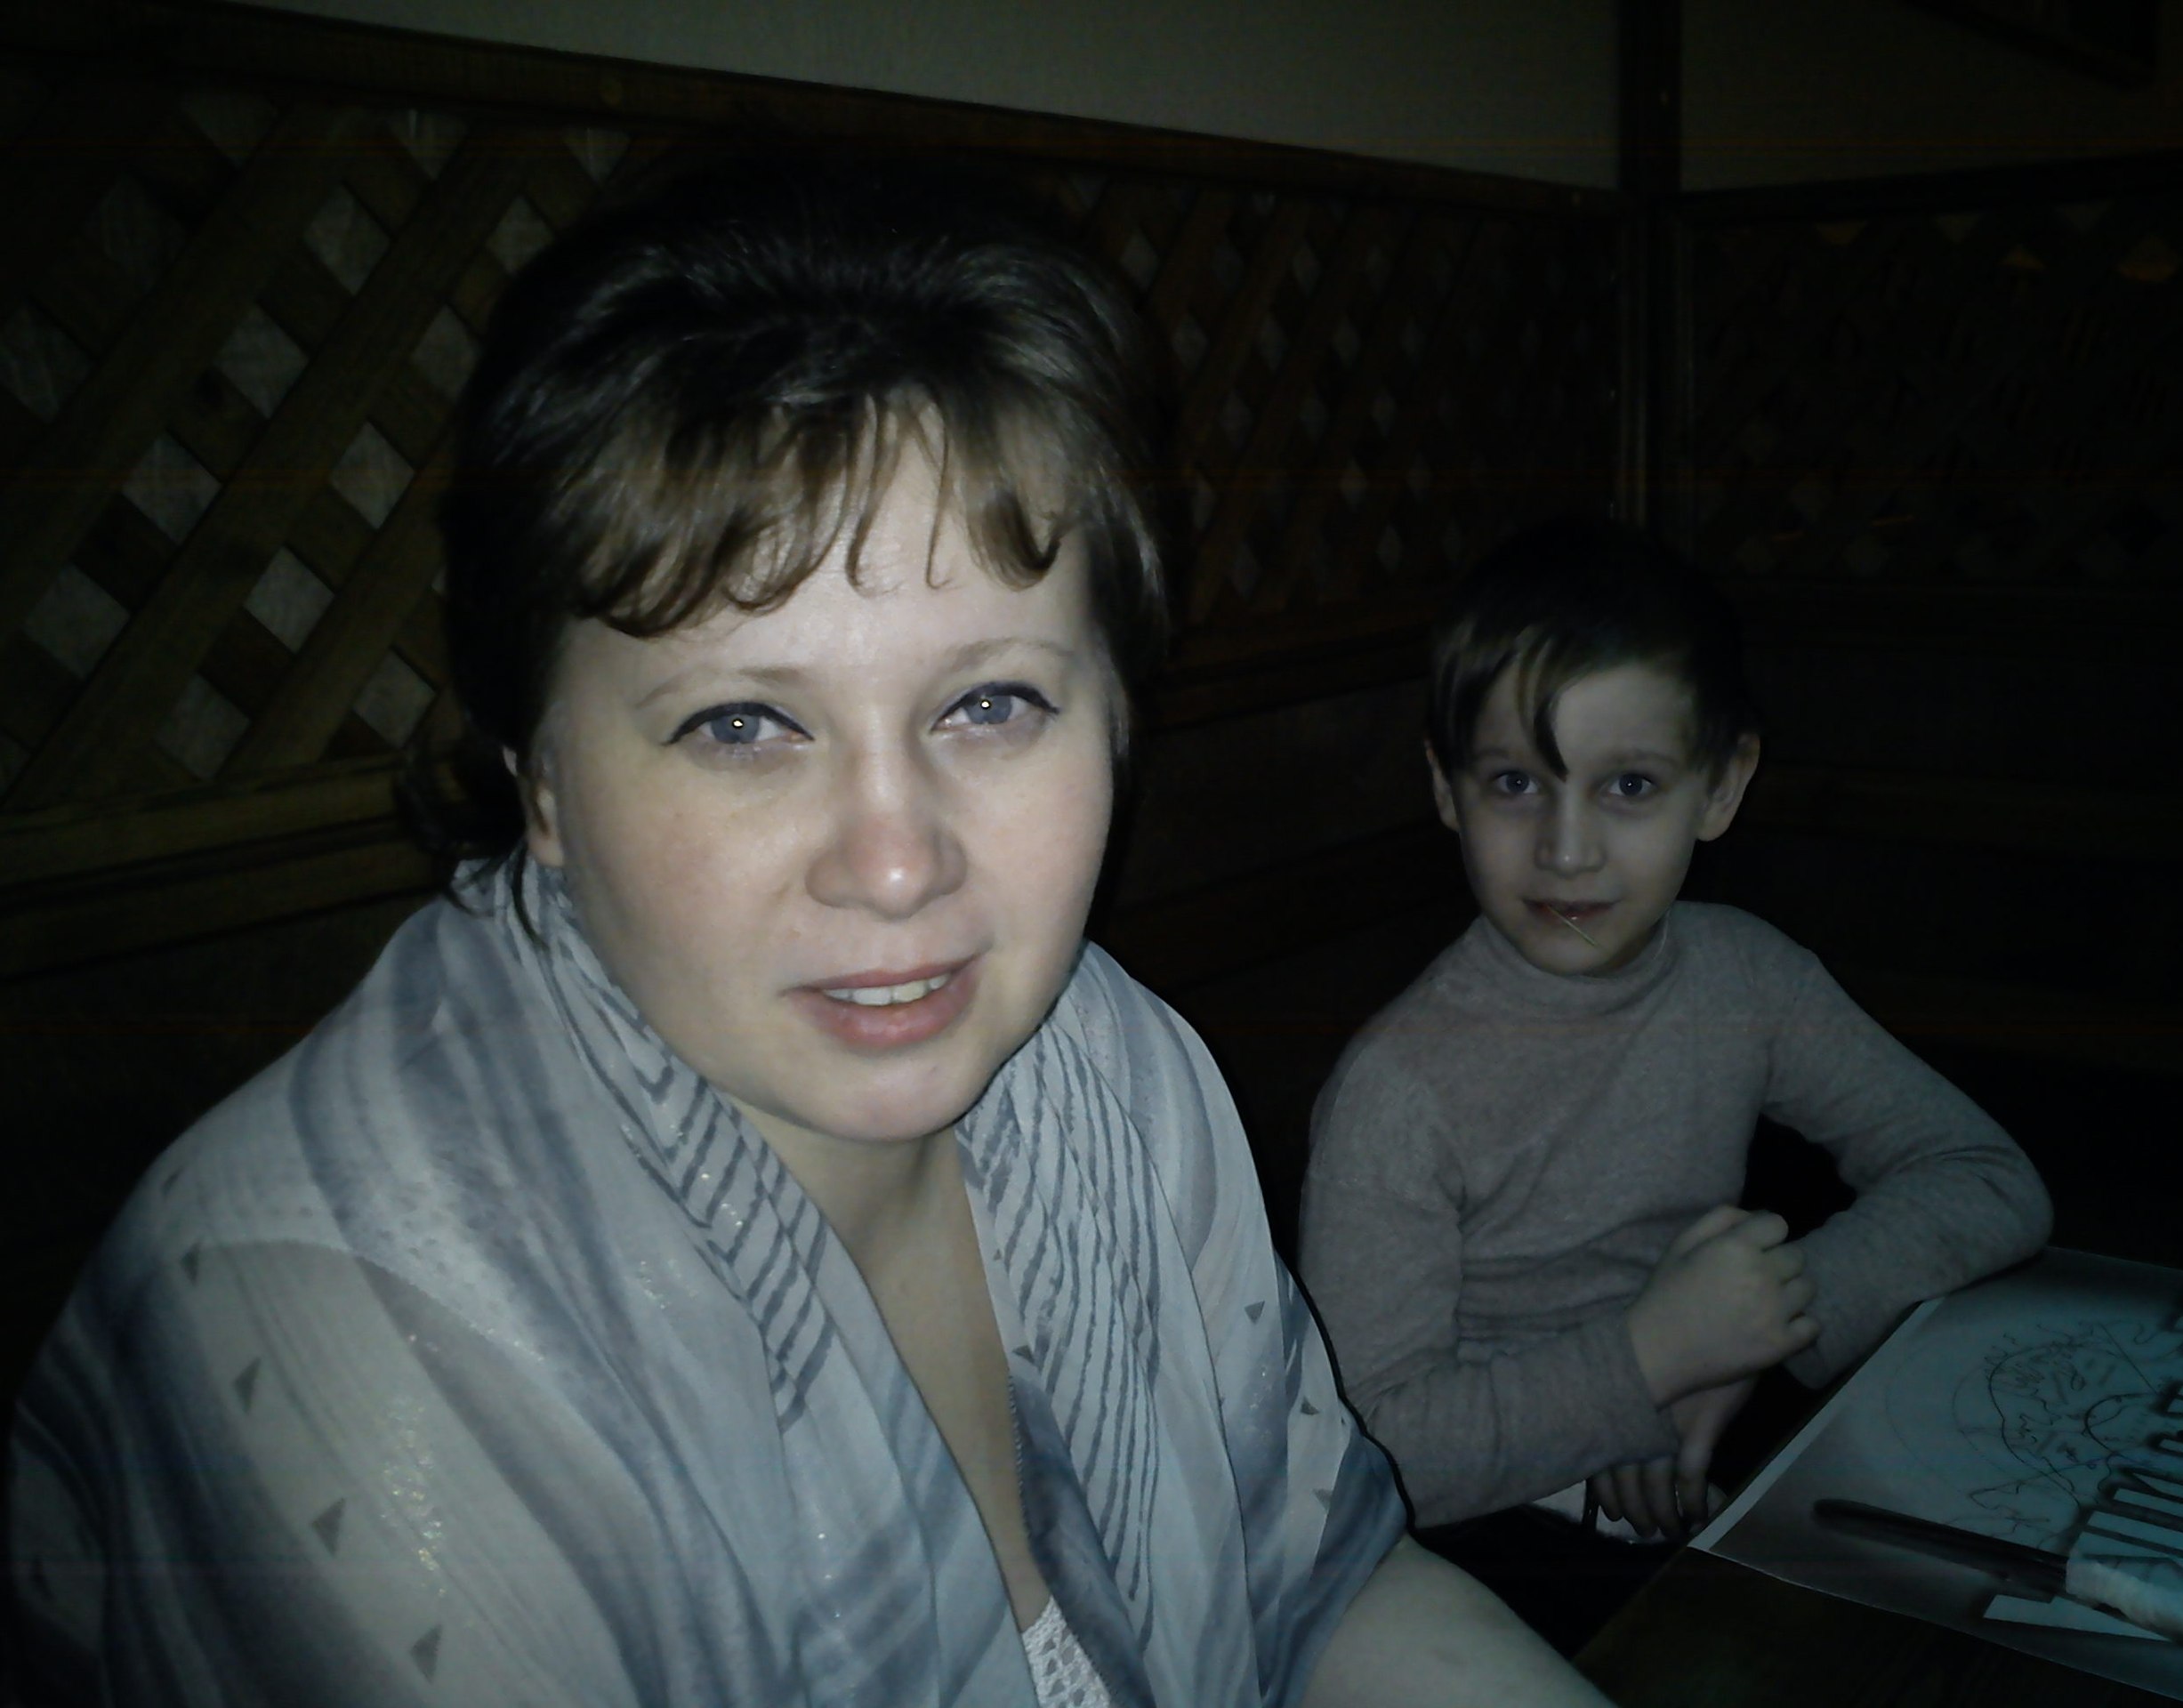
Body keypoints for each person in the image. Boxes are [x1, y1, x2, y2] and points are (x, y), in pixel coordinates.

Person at [5, 159, 1610, 1707]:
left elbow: (1317, 1580)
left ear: (1118, 710)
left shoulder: (1114, 1065)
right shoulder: (356, 1346)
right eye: (741, 726)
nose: (897, 867)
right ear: (539, 778)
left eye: (991, 702)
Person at [1298, 519, 2053, 1648]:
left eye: (1629, 785)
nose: (1566, 849)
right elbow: (1369, 1459)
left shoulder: (1746, 976)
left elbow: (1987, 1179)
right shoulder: (1396, 1090)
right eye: (1514, 782)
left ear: (1721, 786)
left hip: (1714, 1466)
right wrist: (1649, 1362)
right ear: (1447, 790)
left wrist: (1746, 1335)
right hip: (1477, 1555)